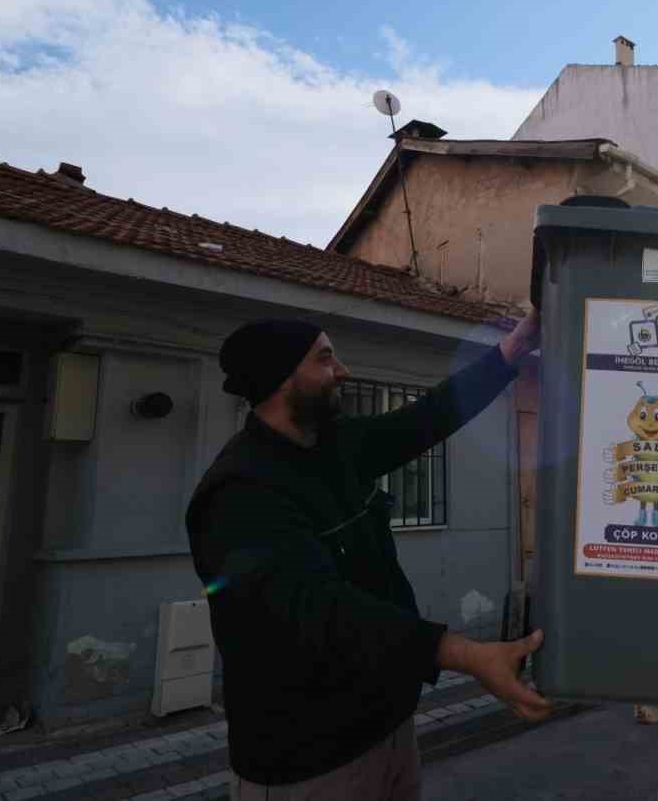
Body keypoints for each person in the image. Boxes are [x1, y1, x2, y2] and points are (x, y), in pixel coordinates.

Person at [186, 314, 552, 800]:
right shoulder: (240, 492)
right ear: (280, 379)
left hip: (387, 728)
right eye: (324, 357)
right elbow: (320, 610)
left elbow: (429, 417)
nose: (343, 370)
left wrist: (513, 348)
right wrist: (467, 654)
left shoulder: (335, 446)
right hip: (309, 760)